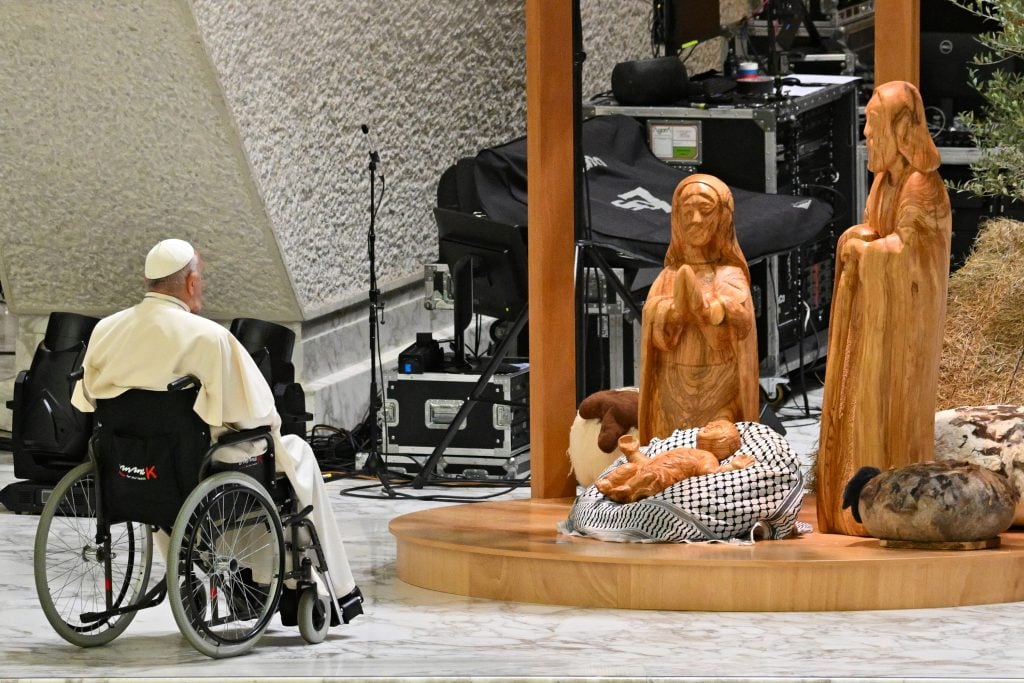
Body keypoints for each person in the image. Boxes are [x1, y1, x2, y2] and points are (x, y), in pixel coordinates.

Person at [71, 238, 362, 623]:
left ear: (148, 281)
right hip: (193, 467)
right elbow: (256, 414)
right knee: (290, 456)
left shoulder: (107, 330)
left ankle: (225, 581)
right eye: (201, 278)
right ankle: (319, 589)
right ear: (190, 283)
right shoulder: (208, 337)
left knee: (170, 471)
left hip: (132, 470)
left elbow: (84, 398)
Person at [815, 81, 952, 536]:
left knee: (891, 415)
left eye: (873, 129)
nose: (867, 139)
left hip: (903, 331)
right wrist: (857, 239)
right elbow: (877, 231)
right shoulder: (883, 181)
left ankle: (889, 505)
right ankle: (850, 503)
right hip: (876, 322)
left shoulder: (921, 187)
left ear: (901, 130)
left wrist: (869, 250)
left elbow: (914, 256)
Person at [637, 174, 759, 444]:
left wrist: (712, 311)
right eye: (687, 211)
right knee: (670, 447)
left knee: (717, 444)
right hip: (673, 385)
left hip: (719, 385)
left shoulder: (730, 273)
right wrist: (672, 313)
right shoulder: (668, 275)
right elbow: (651, 318)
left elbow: (742, 318)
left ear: (722, 218)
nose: (695, 220)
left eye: (705, 211)